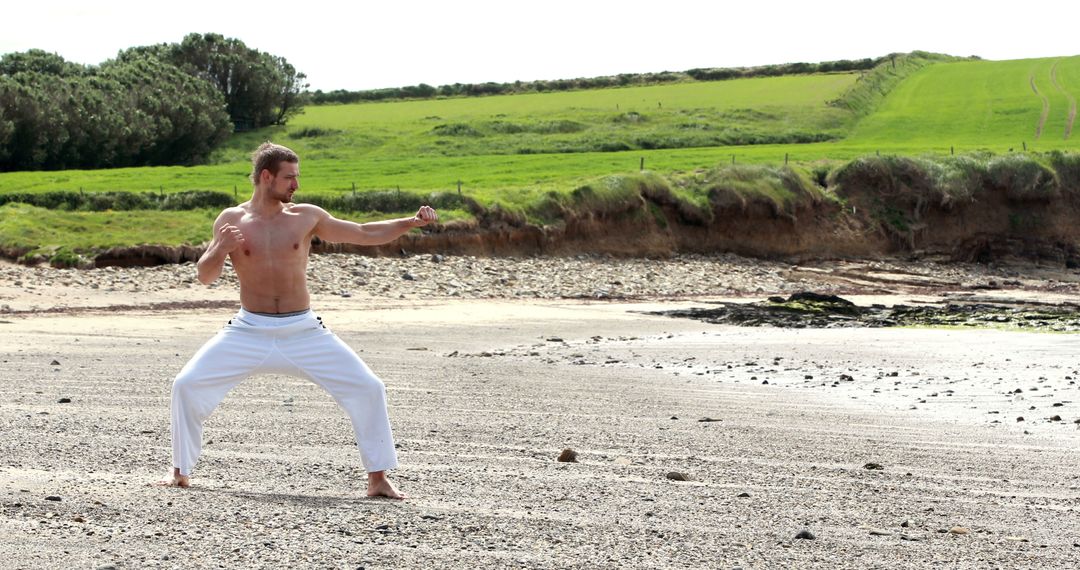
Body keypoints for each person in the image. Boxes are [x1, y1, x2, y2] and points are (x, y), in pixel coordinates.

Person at [158, 142, 436, 498]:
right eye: (289, 178)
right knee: (186, 384)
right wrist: (219, 248)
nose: (296, 186)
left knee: (369, 388)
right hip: (249, 330)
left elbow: (365, 233)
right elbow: (205, 276)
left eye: (297, 178)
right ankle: (180, 471)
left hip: (304, 331)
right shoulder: (231, 220)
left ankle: (378, 479)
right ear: (266, 176)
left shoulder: (306, 216)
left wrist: (410, 222)